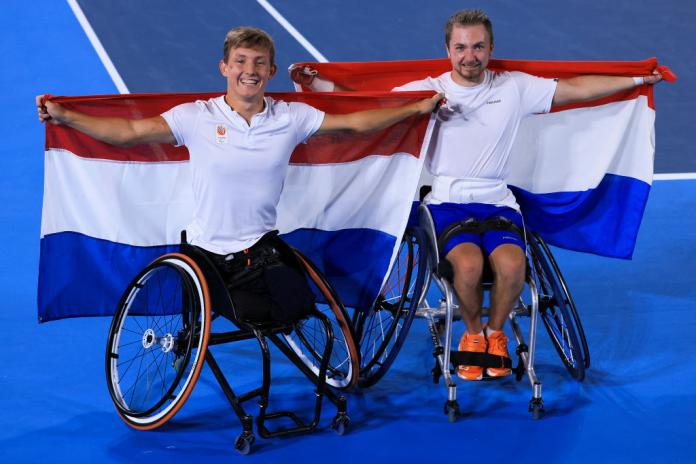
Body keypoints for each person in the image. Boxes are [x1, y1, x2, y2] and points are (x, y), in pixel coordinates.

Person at [294, 9, 663, 380]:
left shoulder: (515, 87)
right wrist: (320, 86)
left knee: (513, 265)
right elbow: (369, 106)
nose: (469, 56)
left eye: (478, 47)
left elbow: (577, 89)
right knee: (468, 267)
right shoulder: (429, 91)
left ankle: (495, 333)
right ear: (448, 50)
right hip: (446, 203)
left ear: (490, 48)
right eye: (461, 47)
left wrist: (636, 79)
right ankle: (472, 335)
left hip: (499, 201)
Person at [37, 26, 442, 324]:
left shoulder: (291, 117)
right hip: (206, 254)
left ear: (271, 71)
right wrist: (66, 115)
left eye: (259, 64)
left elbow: (355, 125)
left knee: (299, 309)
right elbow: (130, 133)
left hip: (262, 248)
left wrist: (414, 110)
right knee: (255, 317)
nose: (250, 71)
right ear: (225, 68)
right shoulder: (196, 116)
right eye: (241, 63)